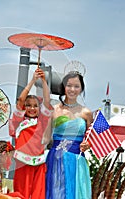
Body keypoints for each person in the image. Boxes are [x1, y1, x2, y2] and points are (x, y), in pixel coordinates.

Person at [43, 71, 93, 199]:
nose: (72, 89)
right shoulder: (53, 110)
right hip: (56, 160)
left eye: (76, 86)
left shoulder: (86, 113)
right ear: (63, 87)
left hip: (77, 161)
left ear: (81, 89)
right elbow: (45, 138)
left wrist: (87, 144)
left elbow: (91, 138)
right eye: (69, 85)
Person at [9, 68, 52, 199]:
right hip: (22, 161)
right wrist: (32, 80)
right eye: (29, 105)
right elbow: (21, 99)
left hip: (39, 162)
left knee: (38, 194)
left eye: (35, 106)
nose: (32, 108)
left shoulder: (42, 120)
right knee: (21, 193)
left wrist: (44, 81)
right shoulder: (19, 119)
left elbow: (47, 101)